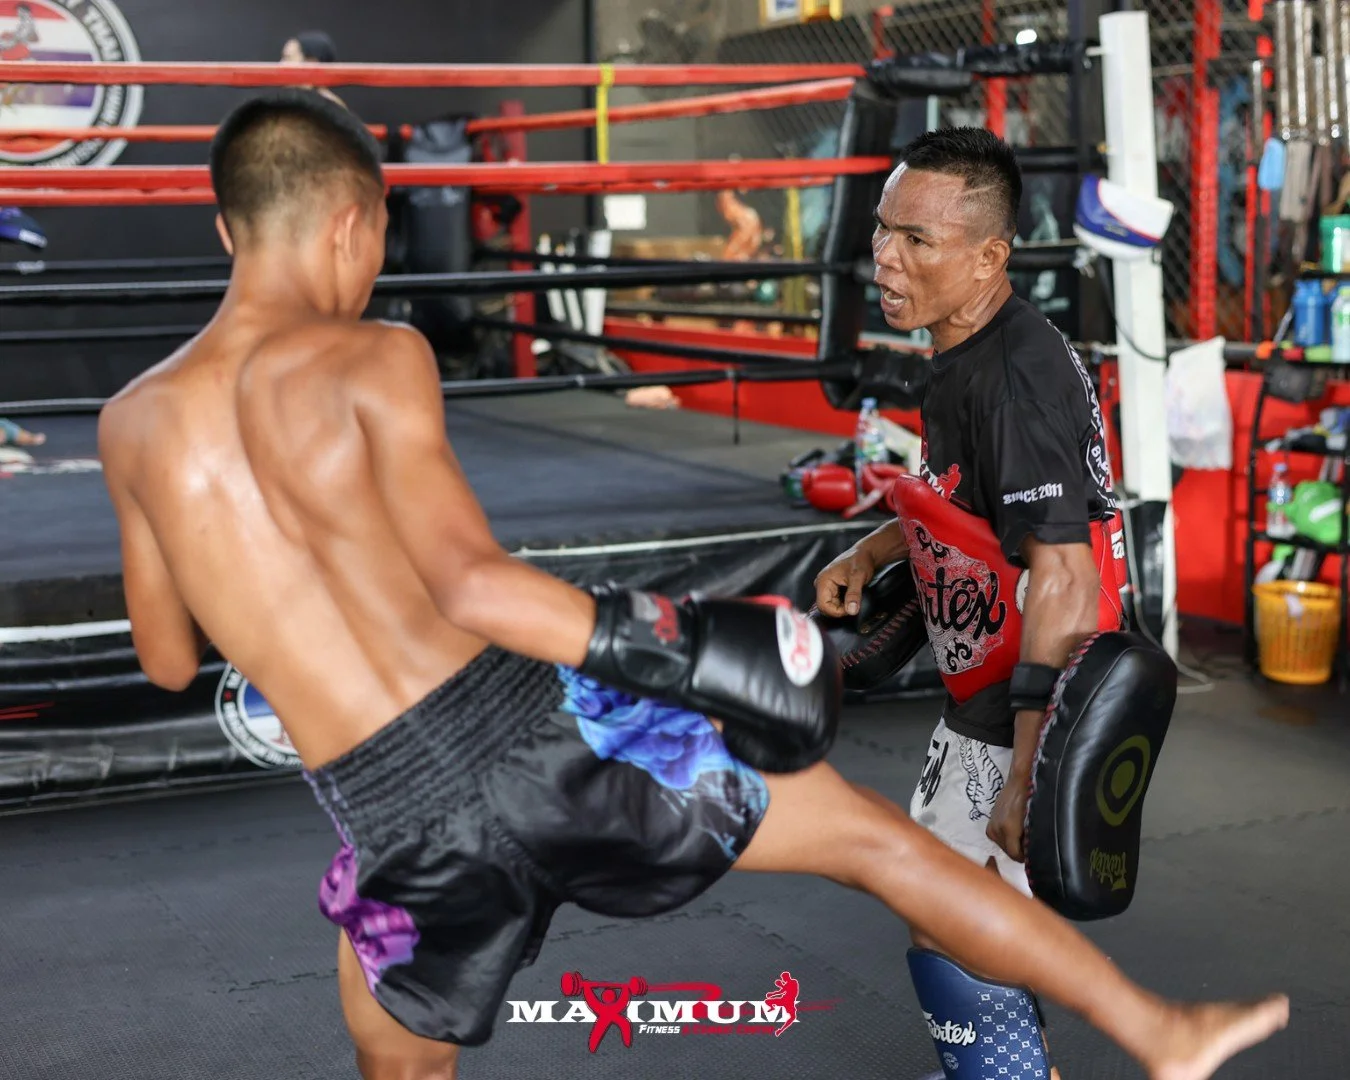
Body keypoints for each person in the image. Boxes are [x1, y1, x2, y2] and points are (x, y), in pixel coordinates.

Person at [98, 92, 1287, 1080]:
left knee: (398, 1057)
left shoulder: (130, 425)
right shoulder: (375, 354)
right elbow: (472, 586)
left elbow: (164, 659)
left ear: (221, 228)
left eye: (912, 241)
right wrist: (694, 641)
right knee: (884, 850)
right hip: (527, 741)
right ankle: (1160, 1033)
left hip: (388, 816)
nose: (885, 259)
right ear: (360, 224)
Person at [811, 127, 1164, 1076]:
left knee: (951, 928)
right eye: (884, 231)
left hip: (1024, 704)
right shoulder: (972, 343)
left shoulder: (1012, 379)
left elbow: (1064, 576)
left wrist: (1023, 770)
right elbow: (977, 501)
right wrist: (876, 543)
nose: (885, 255)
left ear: (988, 256)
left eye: (917, 241)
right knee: (971, 920)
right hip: (998, 687)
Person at [279, 30, 345, 108]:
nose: (280, 65)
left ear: (311, 63)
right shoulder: (281, 101)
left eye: (287, 58)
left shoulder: (331, 107)